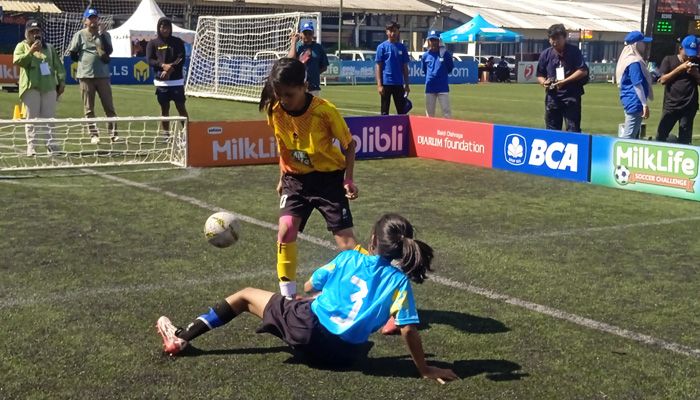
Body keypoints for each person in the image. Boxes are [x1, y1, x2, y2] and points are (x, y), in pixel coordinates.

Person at [156, 213, 458, 382]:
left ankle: (182, 337)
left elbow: (313, 283)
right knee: (319, 316)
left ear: (374, 240)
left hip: (307, 331)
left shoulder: (350, 258)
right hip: (343, 357)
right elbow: (408, 328)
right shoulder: (400, 282)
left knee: (246, 295)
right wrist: (425, 369)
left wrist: (311, 297)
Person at [258, 58, 361, 300]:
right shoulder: (274, 110)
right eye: (280, 94)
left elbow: (349, 146)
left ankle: (379, 280)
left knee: (347, 245)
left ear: (304, 86)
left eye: (289, 94)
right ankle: (287, 298)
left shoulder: (324, 112)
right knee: (285, 230)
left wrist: (348, 180)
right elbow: (282, 145)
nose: (284, 100)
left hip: (328, 181)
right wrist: (282, 175)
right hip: (295, 181)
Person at [12, 19, 66, 156]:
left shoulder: (49, 48)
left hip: (48, 87)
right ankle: (32, 146)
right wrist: (31, 51)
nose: (35, 34)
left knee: (49, 118)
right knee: (32, 118)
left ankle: (51, 145)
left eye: (37, 31)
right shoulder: (21, 46)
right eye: (32, 32)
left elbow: (58, 66)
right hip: (31, 87)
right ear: (27, 33)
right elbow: (18, 61)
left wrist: (61, 81)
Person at [68, 8, 119, 144]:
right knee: (89, 107)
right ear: (85, 21)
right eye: (90, 18)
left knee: (108, 105)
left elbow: (109, 50)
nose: (93, 20)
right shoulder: (79, 35)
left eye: (95, 18)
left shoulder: (105, 35)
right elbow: (73, 53)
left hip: (102, 75)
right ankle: (93, 134)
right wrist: (84, 61)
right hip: (85, 75)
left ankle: (113, 133)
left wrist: (101, 35)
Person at [536, 24, 589, 132]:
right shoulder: (545, 54)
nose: (555, 42)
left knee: (573, 129)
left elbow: (583, 71)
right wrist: (544, 82)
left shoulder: (574, 52)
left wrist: (564, 81)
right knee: (552, 129)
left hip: (571, 95)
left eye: (558, 39)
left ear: (564, 38)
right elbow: (540, 74)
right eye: (552, 39)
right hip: (552, 97)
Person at [146, 17, 189, 140]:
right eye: (162, 27)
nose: (164, 29)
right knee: (164, 109)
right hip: (162, 83)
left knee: (181, 107)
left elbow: (181, 58)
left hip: (176, 82)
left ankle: (187, 131)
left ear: (170, 28)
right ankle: (166, 134)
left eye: (166, 27)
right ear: (158, 28)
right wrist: (162, 66)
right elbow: (149, 60)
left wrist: (170, 68)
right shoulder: (152, 43)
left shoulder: (177, 41)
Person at [655, 35, 700, 145]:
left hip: (689, 106)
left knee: (685, 138)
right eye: (687, 53)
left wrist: (695, 74)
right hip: (671, 105)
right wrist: (680, 68)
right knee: (661, 134)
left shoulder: (697, 62)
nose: (689, 57)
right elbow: (663, 80)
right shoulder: (669, 60)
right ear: (680, 49)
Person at [615, 31, 654, 139]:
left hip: (630, 99)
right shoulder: (634, 61)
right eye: (643, 42)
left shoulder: (627, 59)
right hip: (634, 100)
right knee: (629, 135)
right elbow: (637, 84)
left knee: (632, 135)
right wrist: (644, 104)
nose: (645, 45)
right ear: (636, 44)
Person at [375, 21, 411, 115]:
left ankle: (402, 129)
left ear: (398, 32)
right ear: (386, 32)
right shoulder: (381, 47)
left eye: (395, 31)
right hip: (386, 83)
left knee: (402, 111)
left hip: (399, 84)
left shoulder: (402, 47)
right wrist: (379, 85)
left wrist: (406, 84)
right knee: (384, 111)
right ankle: (384, 129)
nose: (393, 33)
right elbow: (378, 66)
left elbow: (405, 67)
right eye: (390, 31)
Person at [288, 21, 329, 97]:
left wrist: (314, 73)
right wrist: (293, 42)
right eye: (305, 33)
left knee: (313, 108)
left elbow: (324, 66)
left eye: (309, 33)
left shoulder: (318, 48)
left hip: (314, 87)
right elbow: (290, 60)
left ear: (313, 34)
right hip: (299, 86)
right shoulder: (297, 46)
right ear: (301, 34)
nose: (307, 35)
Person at [421, 30, 453, 118]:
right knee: (429, 113)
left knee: (446, 111)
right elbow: (424, 70)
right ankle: (429, 130)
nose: (433, 42)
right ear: (428, 41)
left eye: (435, 40)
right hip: (430, 87)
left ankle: (448, 130)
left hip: (442, 87)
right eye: (431, 40)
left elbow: (450, 68)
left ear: (439, 41)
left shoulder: (445, 54)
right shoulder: (425, 56)